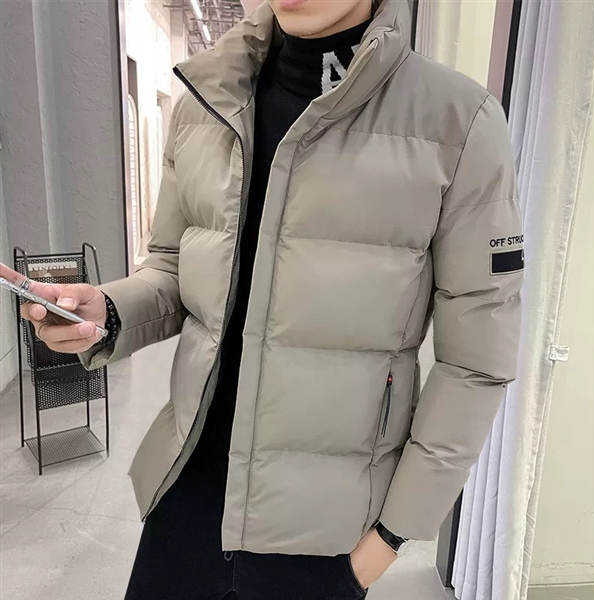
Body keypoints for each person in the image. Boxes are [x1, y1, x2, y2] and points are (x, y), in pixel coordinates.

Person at [20, 0, 524, 597]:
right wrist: (106, 311)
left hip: (324, 537)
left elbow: (476, 362)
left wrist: (389, 537)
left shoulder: (458, 123)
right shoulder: (206, 100)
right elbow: (174, 269)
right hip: (186, 497)